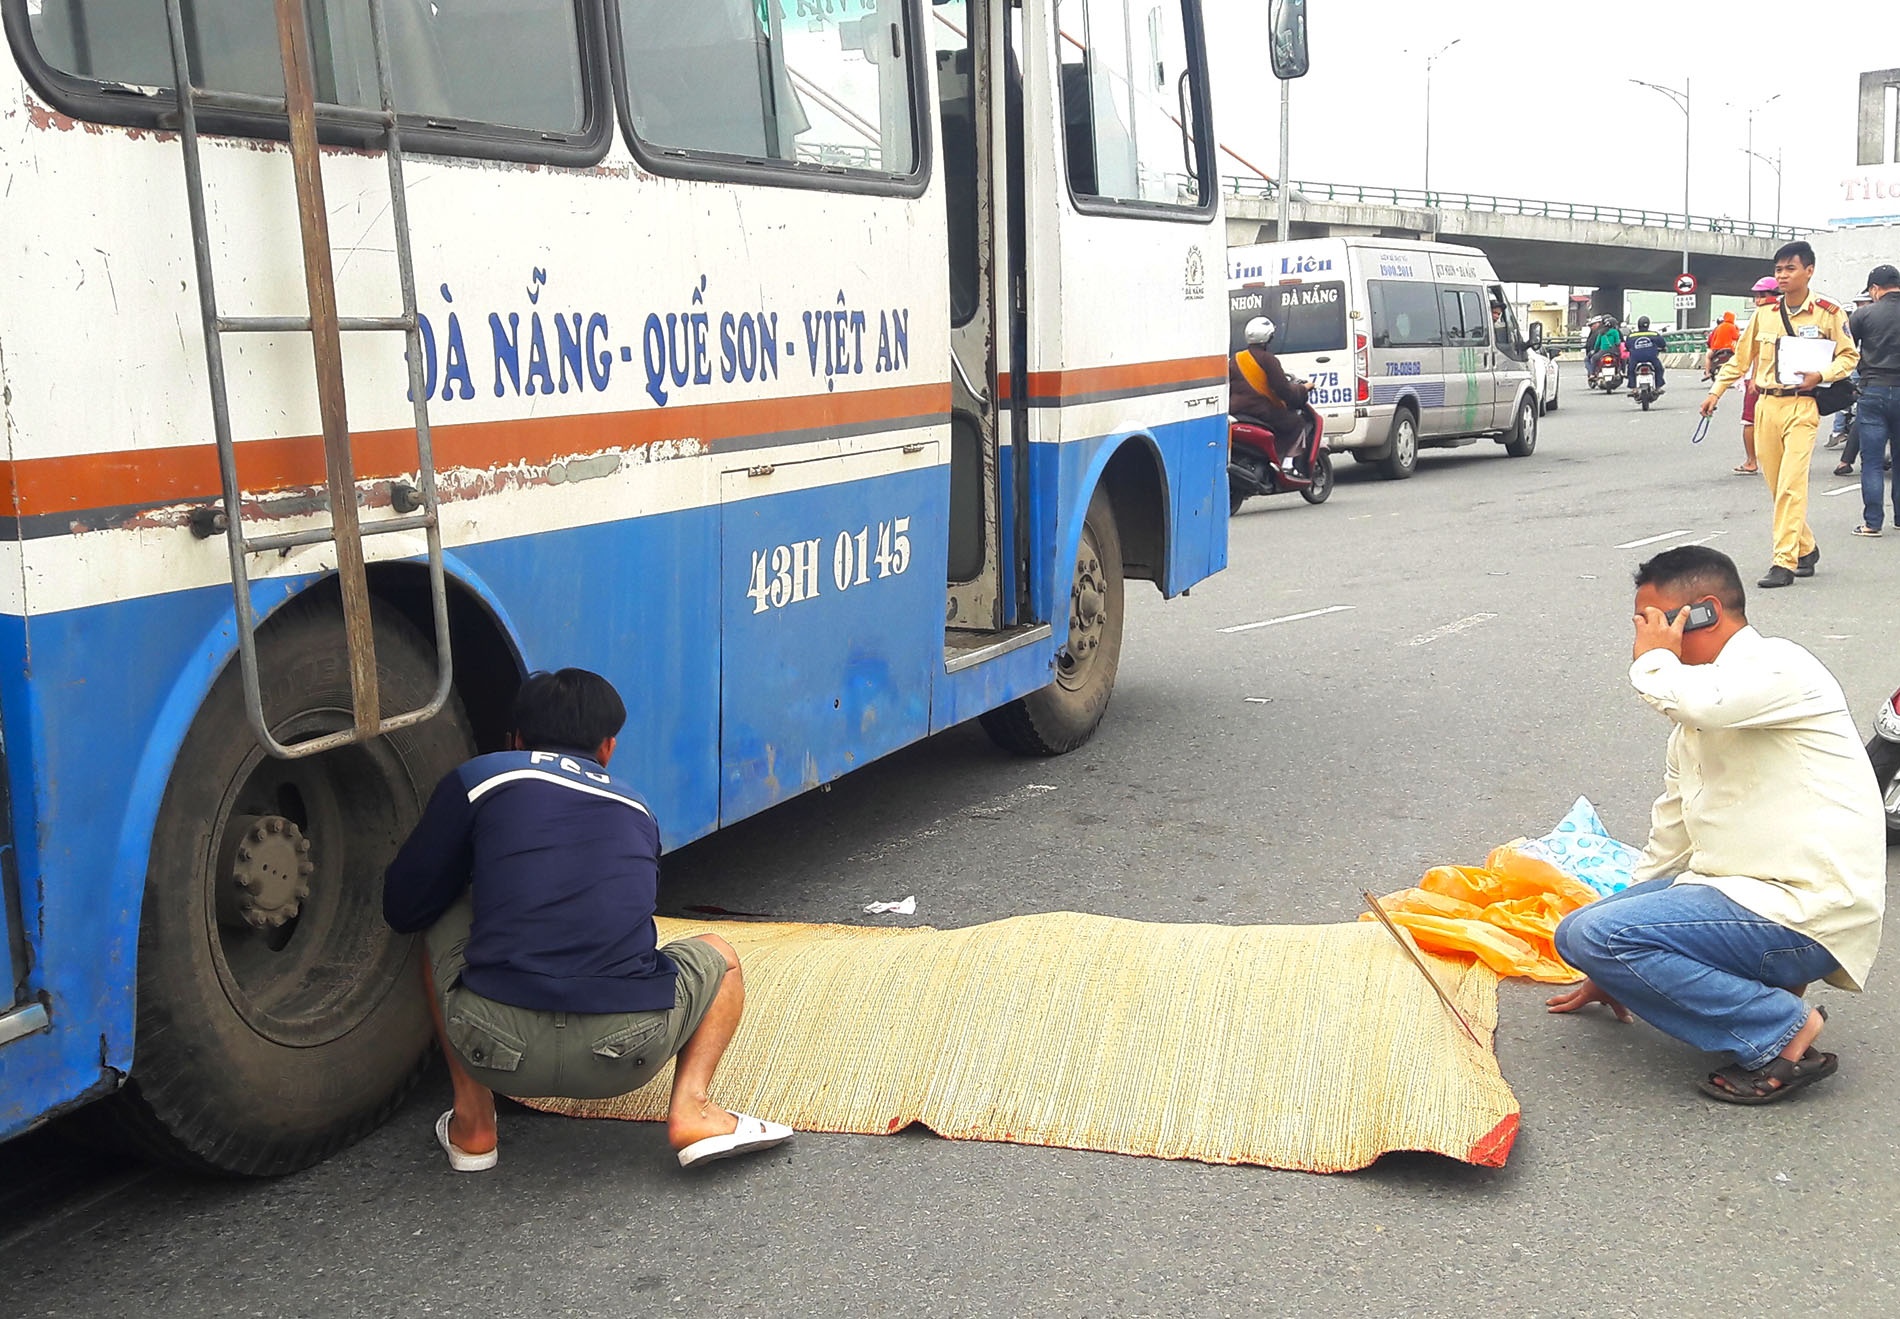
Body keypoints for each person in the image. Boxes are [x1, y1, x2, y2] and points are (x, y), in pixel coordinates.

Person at [383, 669, 794, 1172]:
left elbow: (404, 906)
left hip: (493, 1045)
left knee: (441, 905)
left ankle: (474, 1124)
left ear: (516, 740)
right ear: (607, 748)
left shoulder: (481, 777)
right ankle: (693, 1109)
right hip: (627, 1054)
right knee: (722, 958)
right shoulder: (638, 808)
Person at [1548, 546, 1885, 1104]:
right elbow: (1671, 834)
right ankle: (1757, 995)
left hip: (1806, 909)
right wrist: (1616, 967)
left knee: (1598, 934)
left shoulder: (1780, 666)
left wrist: (1654, 660)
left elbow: (1701, 703)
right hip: (1745, 896)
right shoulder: (1696, 720)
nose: (1644, 635)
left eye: (1653, 621)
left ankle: (1780, 1029)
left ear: (1704, 611)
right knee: (1583, 930)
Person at [1700, 240, 1860, 587]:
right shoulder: (1765, 314)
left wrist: (1823, 375)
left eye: (1790, 268)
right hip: (1766, 406)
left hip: (1802, 406)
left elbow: (1849, 357)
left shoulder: (1829, 313)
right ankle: (1806, 547)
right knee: (1776, 486)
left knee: (1791, 486)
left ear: (1809, 271)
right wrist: (1716, 392)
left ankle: (1783, 561)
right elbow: (1741, 359)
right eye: (1779, 270)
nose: (1783, 275)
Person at [1849, 263, 1900, 535]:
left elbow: (1846, 350)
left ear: (1875, 289)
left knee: (1871, 461)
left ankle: (1872, 523)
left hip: (1873, 390)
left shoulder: (1863, 314)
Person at [1229, 315, 1311, 475]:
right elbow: (1283, 390)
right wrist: (1302, 390)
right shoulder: (1268, 359)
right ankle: (1286, 464)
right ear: (1268, 338)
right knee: (1296, 422)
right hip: (1261, 412)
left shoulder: (1236, 359)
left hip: (1237, 411)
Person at [1731, 278, 1782, 475]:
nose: (1758, 300)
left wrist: (1754, 378)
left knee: (1752, 420)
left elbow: (1757, 352)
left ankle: (1754, 460)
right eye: (1757, 296)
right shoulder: (1771, 315)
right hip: (1768, 377)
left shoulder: (1766, 316)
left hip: (1767, 378)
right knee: (1752, 420)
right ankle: (1753, 460)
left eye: (1762, 295)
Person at [1623, 316, 1668, 391]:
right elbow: (1662, 344)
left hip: (1636, 358)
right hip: (1651, 357)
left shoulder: (1631, 336)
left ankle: (1634, 388)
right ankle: (1658, 387)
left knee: (1630, 370)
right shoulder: (1654, 334)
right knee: (1659, 369)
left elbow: (1627, 346)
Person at [1704, 310, 1740, 377]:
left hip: (1717, 348)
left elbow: (1712, 339)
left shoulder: (1718, 328)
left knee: (1708, 356)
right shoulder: (1733, 327)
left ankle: (1707, 373)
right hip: (1730, 348)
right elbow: (1737, 337)